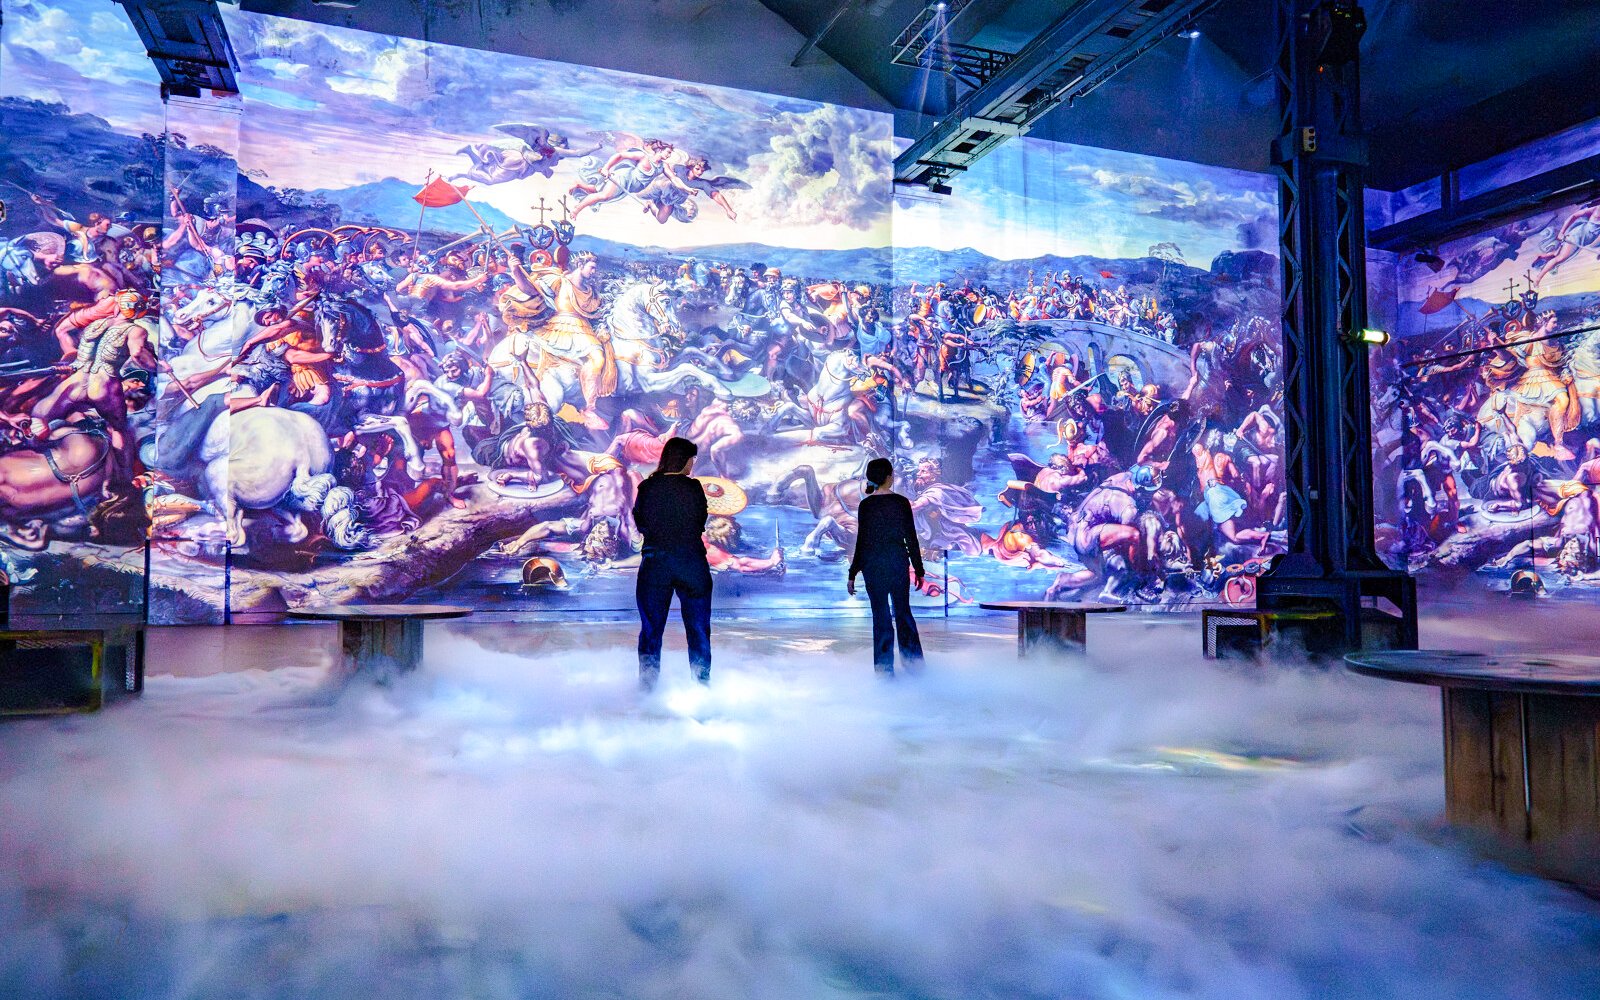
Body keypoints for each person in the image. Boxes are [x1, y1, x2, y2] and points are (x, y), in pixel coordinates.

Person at [631, 436, 713, 689]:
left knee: (651, 629)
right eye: (692, 459)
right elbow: (700, 521)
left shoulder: (647, 487)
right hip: (691, 563)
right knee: (698, 629)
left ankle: (647, 688)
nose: (693, 465)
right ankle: (701, 686)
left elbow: (641, 522)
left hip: (656, 564)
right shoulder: (693, 487)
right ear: (685, 459)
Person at [847, 457, 925, 675]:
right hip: (897, 564)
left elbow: (862, 541)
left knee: (880, 617)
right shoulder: (901, 503)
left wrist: (853, 573)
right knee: (903, 614)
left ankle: (884, 672)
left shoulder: (866, 505)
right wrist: (919, 570)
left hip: (873, 568)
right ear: (889, 476)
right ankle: (915, 668)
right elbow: (911, 538)